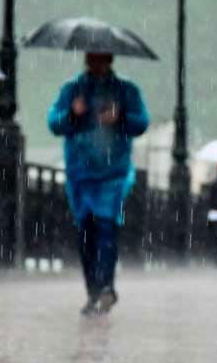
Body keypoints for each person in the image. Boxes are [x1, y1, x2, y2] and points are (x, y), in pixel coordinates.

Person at [48, 52, 150, 315]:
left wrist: (121, 117)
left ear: (110, 60)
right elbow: (54, 123)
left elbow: (141, 122)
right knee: (85, 233)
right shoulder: (72, 89)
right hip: (80, 174)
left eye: (102, 59)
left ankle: (105, 287)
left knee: (106, 227)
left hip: (113, 174)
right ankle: (93, 292)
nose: (97, 64)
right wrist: (73, 114)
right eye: (93, 59)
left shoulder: (126, 90)